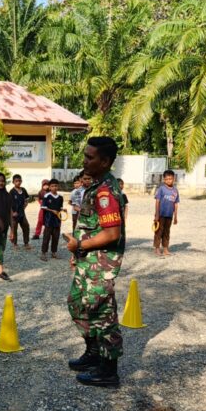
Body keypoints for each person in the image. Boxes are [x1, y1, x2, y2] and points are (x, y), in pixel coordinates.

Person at [65, 136, 126, 388]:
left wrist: (80, 246)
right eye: (85, 155)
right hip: (88, 262)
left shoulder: (105, 192)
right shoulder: (96, 185)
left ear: (105, 161)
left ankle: (108, 369)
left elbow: (112, 234)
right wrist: (78, 253)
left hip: (100, 265)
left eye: (90, 157)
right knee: (77, 304)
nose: (85, 161)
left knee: (102, 315)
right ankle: (93, 353)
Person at [153, 169, 179, 256]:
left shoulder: (175, 191)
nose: (168, 180)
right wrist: (157, 214)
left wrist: (175, 216)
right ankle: (157, 249)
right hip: (160, 215)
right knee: (158, 232)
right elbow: (157, 201)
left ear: (173, 179)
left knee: (167, 232)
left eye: (170, 179)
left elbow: (176, 204)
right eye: (166, 179)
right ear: (164, 179)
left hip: (169, 215)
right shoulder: (161, 189)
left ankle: (165, 249)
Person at [39, 178, 65, 261]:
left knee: (56, 237)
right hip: (48, 220)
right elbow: (43, 207)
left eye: (56, 186)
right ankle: (43, 253)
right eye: (52, 186)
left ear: (58, 186)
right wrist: (52, 210)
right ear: (49, 187)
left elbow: (60, 207)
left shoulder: (60, 197)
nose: (54, 187)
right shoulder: (47, 196)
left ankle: (54, 252)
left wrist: (63, 210)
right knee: (46, 237)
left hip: (57, 220)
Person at [9, 174, 31, 250]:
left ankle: (26, 243)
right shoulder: (12, 192)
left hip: (22, 213)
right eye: (16, 181)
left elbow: (27, 198)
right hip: (14, 215)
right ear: (13, 182)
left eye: (19, 181)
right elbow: (9, 204)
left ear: (21, 181)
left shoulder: (23, 190)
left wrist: (25, 205)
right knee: (14, 228)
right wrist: (13, 212)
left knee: (26, 226)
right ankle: (15, 244)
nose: (18, 182)